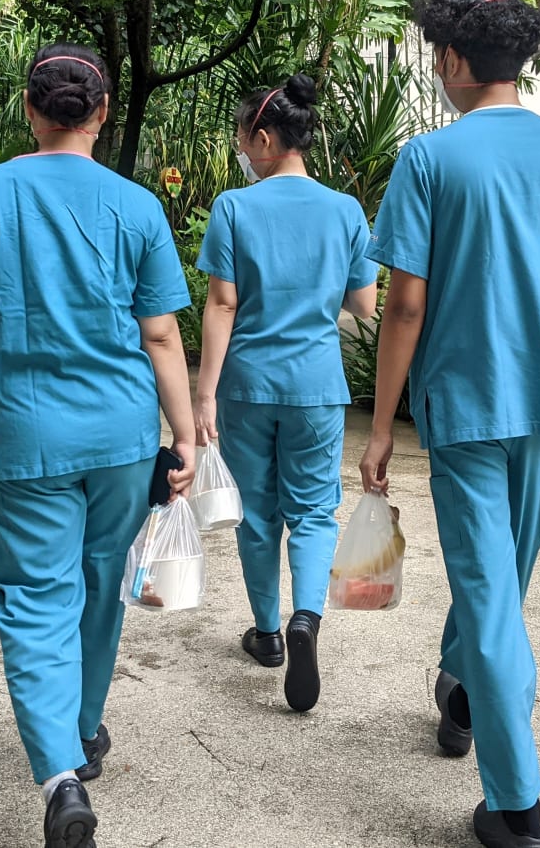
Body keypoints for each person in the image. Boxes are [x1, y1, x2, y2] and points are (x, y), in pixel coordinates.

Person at [358, 0, 540, 848]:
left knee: (489, 593)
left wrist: (379, 426)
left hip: (466, 404)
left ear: (452, 60)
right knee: (501, 578)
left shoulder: (428, 158)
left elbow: (405, 306)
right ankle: (462, 693)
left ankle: (517, 810)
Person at [0, 43, 196, 848]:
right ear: (102, 113)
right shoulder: (137, 205)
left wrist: (4, 377)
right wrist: (185, 436)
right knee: (100, 580)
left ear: (29, 109)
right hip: (121, 434)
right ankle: (83, 727)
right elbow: (160, 335)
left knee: (36, 598)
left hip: (23, 430)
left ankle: (58, 776)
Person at [194, 73, 379, 713]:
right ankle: (307, 617)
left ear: (265, 138)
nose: (241, 151)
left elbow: (222, 305)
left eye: (243, 139)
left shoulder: (234, 207)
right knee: (314, 511)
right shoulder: (345, 210)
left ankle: (268, 634)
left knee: (256, 513)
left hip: (247, 384)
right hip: (316, 385)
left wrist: (204, 395)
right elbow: (364, 304)